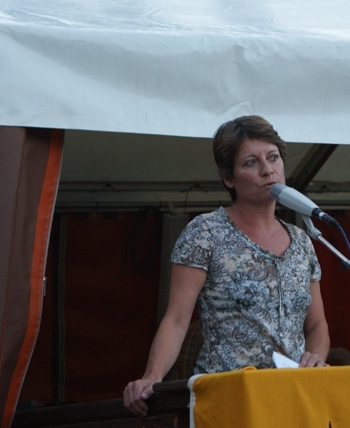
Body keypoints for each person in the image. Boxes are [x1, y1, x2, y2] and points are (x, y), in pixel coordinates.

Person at [124, 115, 330, 416]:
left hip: (292, 398)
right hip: (228, 399)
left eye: (273, 157)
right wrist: (151, 376)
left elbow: (317, 325)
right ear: (228, 178)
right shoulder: (205, 232)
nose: (267, 170)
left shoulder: (302, 241)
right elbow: (177, 318)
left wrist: (315, 357)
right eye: (251, 163)